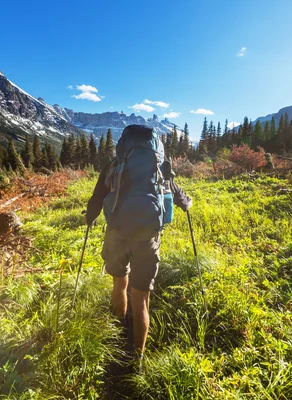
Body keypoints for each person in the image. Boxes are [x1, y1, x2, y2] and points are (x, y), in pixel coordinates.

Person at [85, 125, 192, 371]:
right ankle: (138, 359)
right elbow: (180, 197)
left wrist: (89, 218)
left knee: (119, 284)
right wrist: (186, 204)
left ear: (125, 143)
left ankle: (119, 329)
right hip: (148, 237)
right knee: (142, 299)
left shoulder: (114, 165)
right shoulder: (161, 167)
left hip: (116, 234)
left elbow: (96, 199)